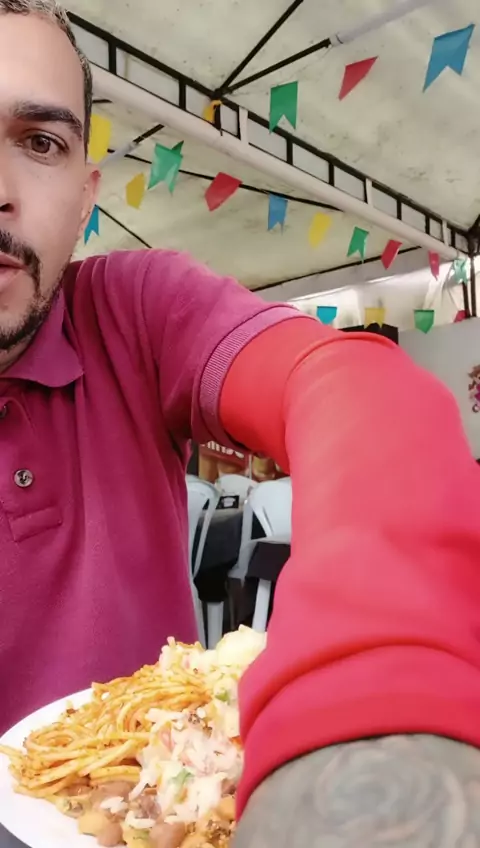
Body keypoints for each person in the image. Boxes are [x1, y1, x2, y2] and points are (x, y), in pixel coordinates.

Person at [1, 2, 480, 845]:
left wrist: (372, 692)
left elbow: (344, 385)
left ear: (84, 200)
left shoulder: (130, 314)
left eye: (39, 142)